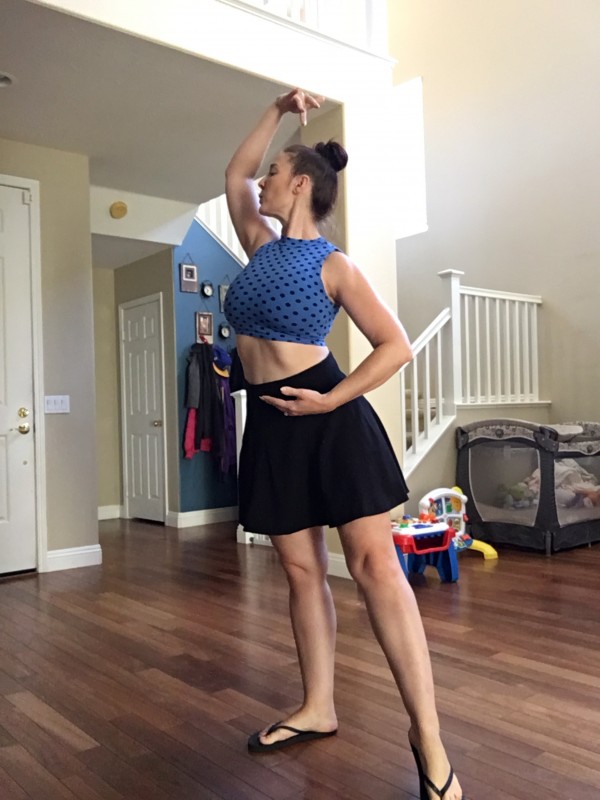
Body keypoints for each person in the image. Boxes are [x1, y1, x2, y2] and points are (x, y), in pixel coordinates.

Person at [223, 88, 463, 800]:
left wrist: (332, 398)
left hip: (329, 418)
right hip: (272, 423)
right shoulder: (258, 246)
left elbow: (394, 345)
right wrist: (275, 108)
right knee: (301, 571)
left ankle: (429, 739)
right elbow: (234, 175)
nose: (263, 180)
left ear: (301, 184)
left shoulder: (334, 265)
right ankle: (317, 706)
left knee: (374, 566)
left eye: (275, 172)